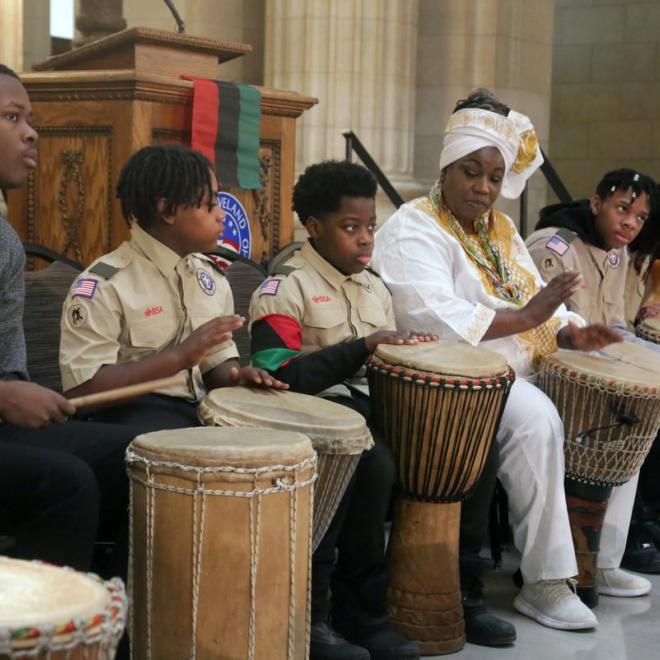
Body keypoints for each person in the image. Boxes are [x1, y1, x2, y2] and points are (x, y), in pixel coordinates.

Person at [371, 89, 621, 632]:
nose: (484, 188)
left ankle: (602, 560)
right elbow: (437, 319)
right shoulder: (414, 227)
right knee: (536, 418)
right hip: (455, 377)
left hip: (522, 365)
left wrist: (574, 333)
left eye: (494, 176)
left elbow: (534, 299)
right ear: (446, 168)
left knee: (614, 403)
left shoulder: (501, 230)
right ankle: (547, 582)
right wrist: (531, 316)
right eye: (471, 172)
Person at [248, 161, 429, 660]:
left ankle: (447, 593)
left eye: (371, 226)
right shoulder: (284, 287)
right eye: (351, 228)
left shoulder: (375, 287)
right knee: (371, 463)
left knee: (455, 448)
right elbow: (281, 376)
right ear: (314, 227)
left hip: (368, 409)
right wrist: (361, 347)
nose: (366, 239)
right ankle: (330, 616)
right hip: (310, 417)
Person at [0, 63, 137, 575]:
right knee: (66, 483)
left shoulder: (5, 242)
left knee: (143, 455)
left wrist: (18, 393)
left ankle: (122, 617)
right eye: (12, 117)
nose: (31, 133)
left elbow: (8, 364)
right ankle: (42, 624)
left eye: (30, 119)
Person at [59, 144, 286, 431]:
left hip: (198, 411)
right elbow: (82, 391)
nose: (221, 215)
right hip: (132, 417)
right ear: (167, 210)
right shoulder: (105, 285)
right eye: (210, 205)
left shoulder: (210, 276)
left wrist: (237, 378)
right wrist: (178, 358)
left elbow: (215, 365)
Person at [527, 169, 660, 581]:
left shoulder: (618, 253)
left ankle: (606, 561)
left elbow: (615, 325)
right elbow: (542, 329)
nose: (630, 223)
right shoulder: (554, 246)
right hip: (552, 372)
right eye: (622, 209)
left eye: (640, 217)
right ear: (597, 203)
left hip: (598, 370)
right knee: (628, 414)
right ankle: (572, 562)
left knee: (639, 415)